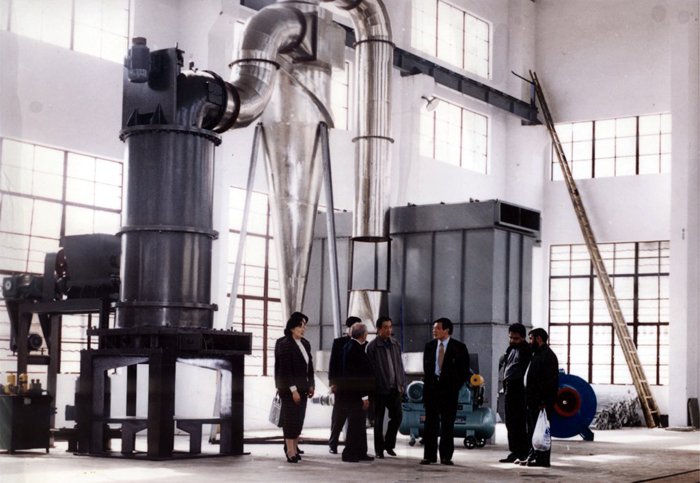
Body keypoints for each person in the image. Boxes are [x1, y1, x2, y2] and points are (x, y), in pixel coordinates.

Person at [420, 317, 470, 466]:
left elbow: (464, 371)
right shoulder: (429, 346)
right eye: (433, 328)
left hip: (449, 391)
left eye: (438, 328)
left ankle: (446, 456)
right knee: (430, 424)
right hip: (432, 390)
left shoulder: (459, 347)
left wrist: (453, 386)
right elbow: (427, 369)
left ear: (447, 330)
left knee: (448, 424)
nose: (434, 331)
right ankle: (429, 456)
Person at [275, 312, 315, 463]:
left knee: (299, 420)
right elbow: (285, 370)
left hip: (303, 388)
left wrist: (311, 384)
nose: (303, 329)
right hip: (289, 390)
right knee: (290, 420)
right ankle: (290, 451)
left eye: (304, 326)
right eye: (300, 326)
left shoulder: (305, 344)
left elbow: (309, 367)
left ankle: (295, 448)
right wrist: (293, 390)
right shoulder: (284, 344)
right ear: (292, 328)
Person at [366, 315, 406, 459]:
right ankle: (379, 450)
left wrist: (402, 384)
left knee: (398, 416)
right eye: (385, 327)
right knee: (378, 419)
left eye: (390, 327)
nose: (388, 330)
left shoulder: (395, 344)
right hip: (379, 390)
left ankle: (389, 445)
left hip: (394, 388)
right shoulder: (372, 347)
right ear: (378, 329)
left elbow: (400, 366)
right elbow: (369, 371)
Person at [522, 327, 559, 468]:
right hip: (533, 400)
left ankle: (542, 460)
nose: (529, 342)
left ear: (538, 339)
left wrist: (544, 401)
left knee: (541, 431)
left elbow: (549, 382)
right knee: (533, 430)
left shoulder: (547, 356)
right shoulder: (537, 354)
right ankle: (533, 457)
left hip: (541, 402)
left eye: (531, 339)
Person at [339, 322, 375, 463]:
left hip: (352, 394)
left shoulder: (350, 346)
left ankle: (360, 452)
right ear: (364, 334)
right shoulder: (355, 349)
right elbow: (358, 376)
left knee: (359, 424)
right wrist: (364, 396)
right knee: (355, 425)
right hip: (356, 395)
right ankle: (349, 453)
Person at [498, 323, 532, 463]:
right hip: (509, 389)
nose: (512, 340)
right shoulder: (510, 349)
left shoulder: (526, 351)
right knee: (510, 422)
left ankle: (522, 453)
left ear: (523, 338)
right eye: (510, 337)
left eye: (516, 338)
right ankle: (514, 451)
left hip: (519, 390)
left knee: (519, 423)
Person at [328, 315, 362, 454]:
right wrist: (332, 383)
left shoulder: (362, 343)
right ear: (348, 328)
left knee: (355, 417)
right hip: (341, 386)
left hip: (356, 388)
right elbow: (333, 364)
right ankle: (333, 443)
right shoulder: (339, 343)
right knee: (338, 416)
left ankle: (353, 445)